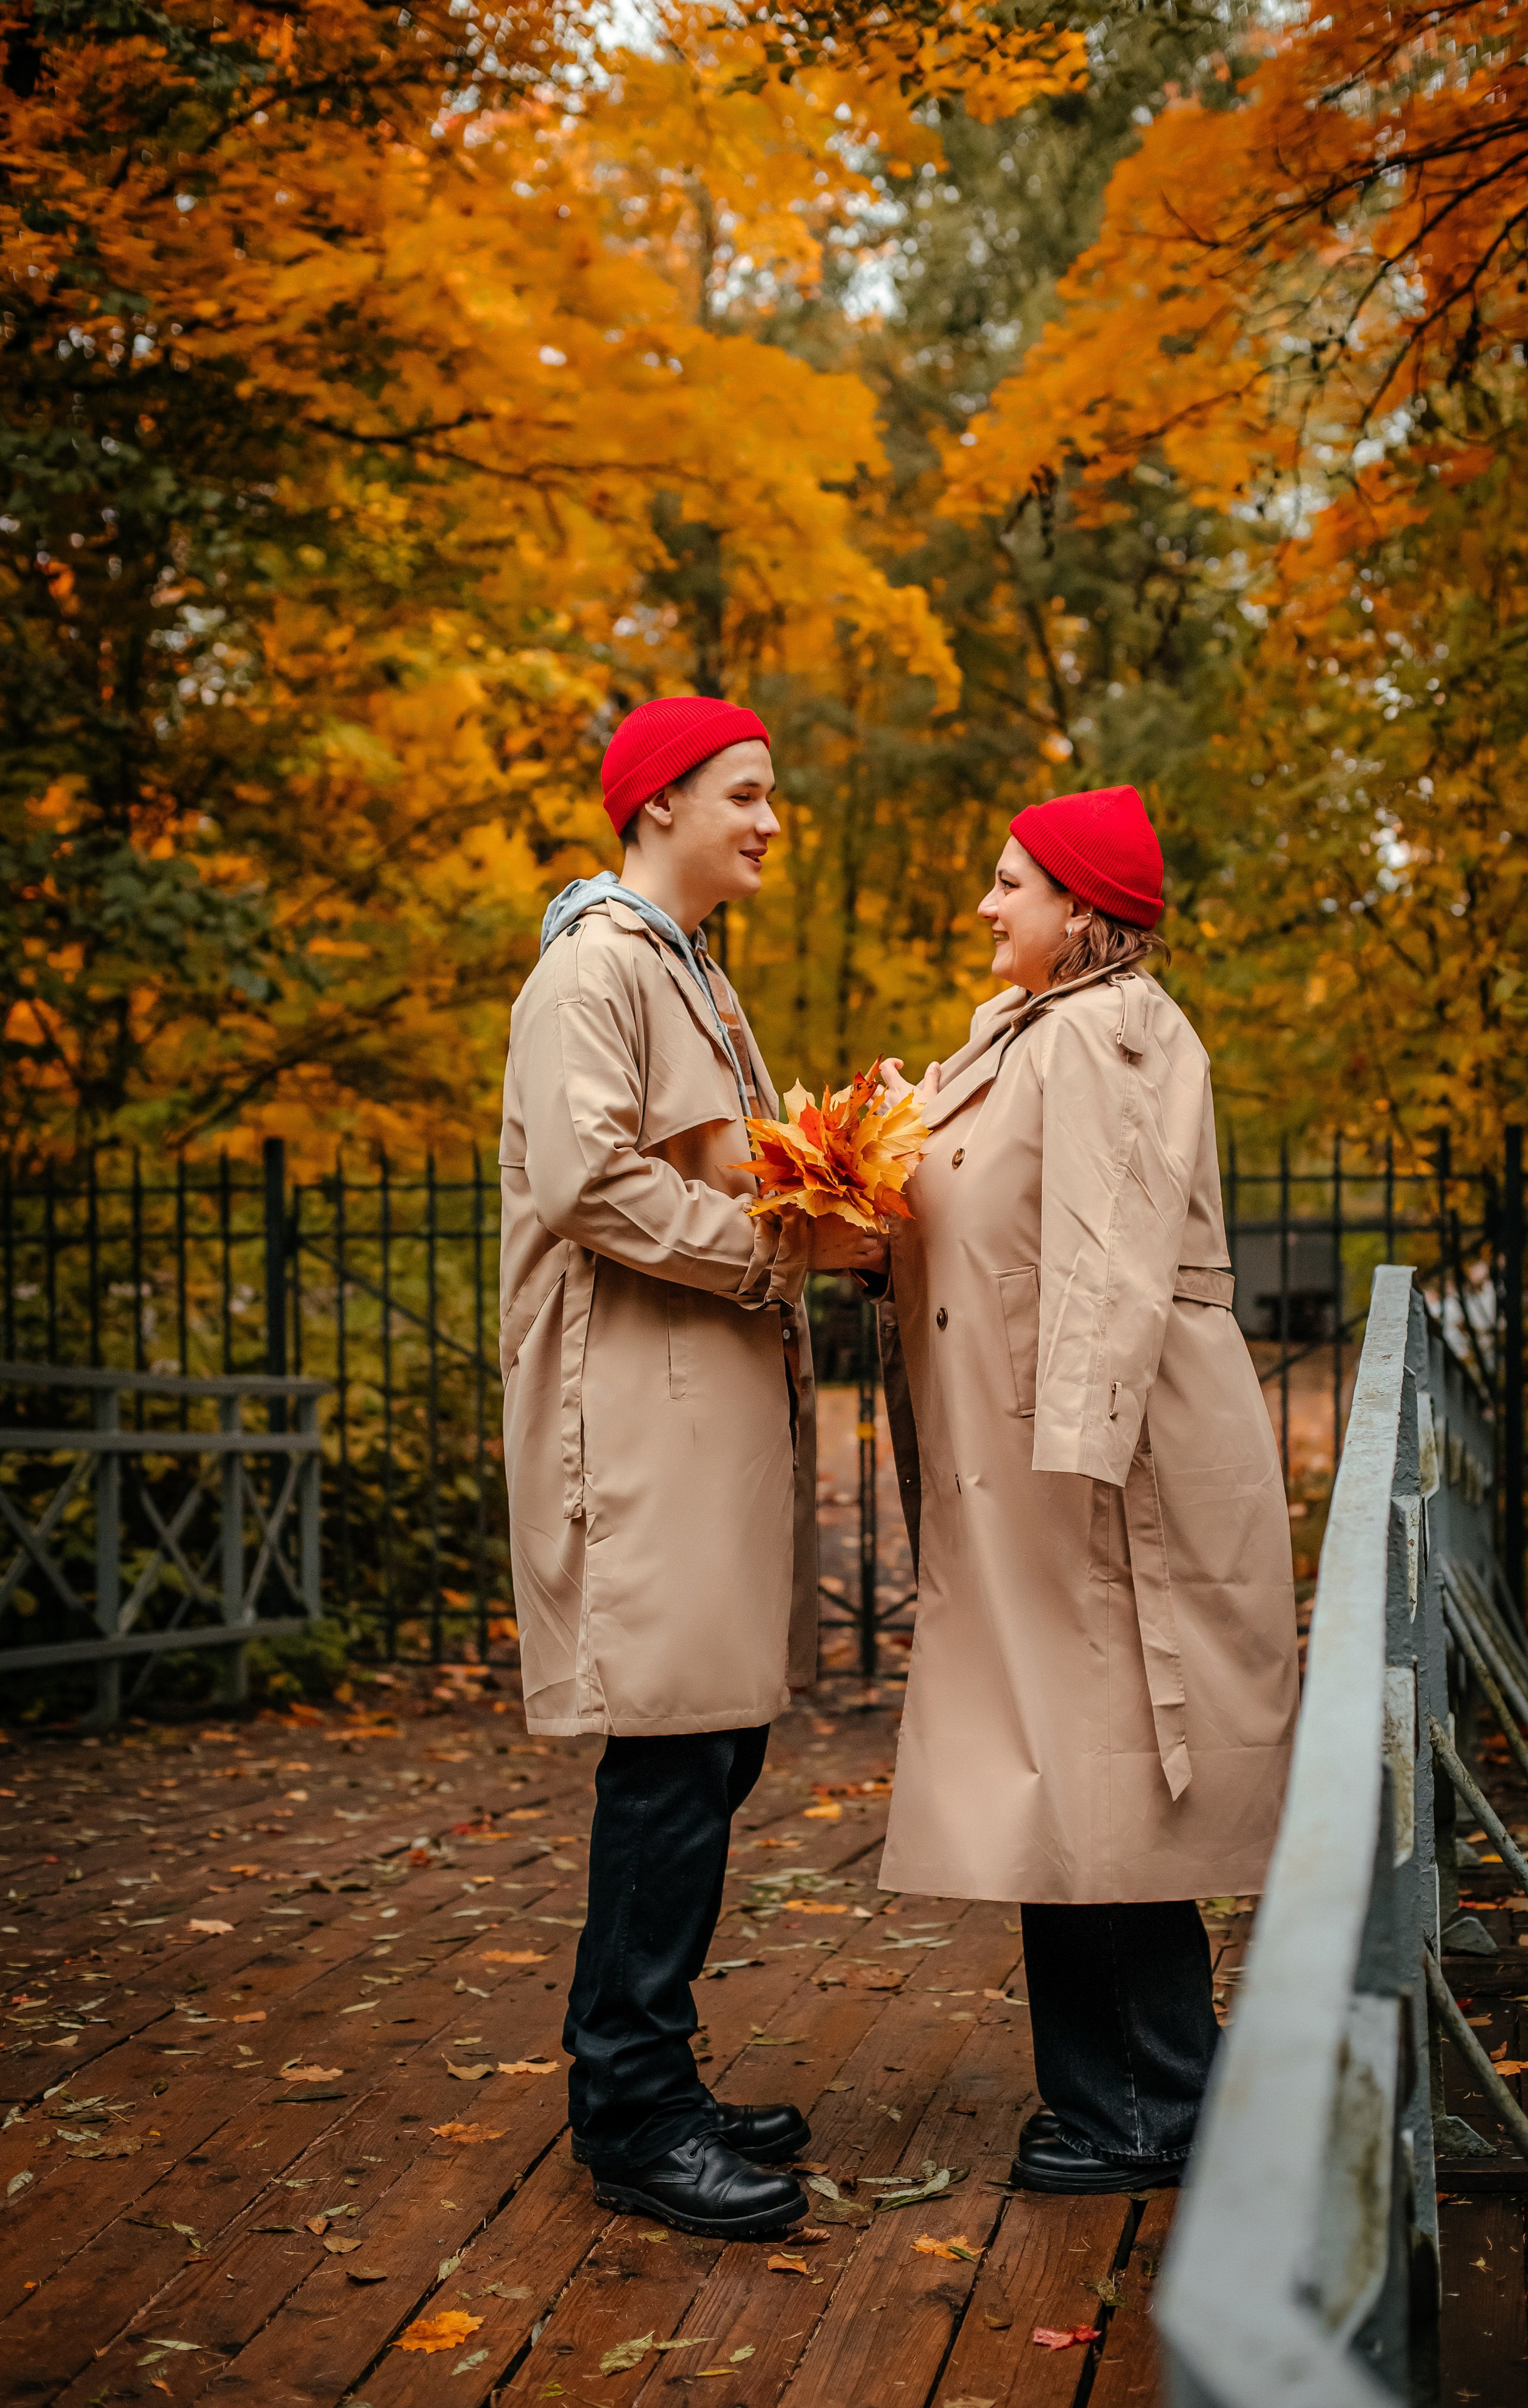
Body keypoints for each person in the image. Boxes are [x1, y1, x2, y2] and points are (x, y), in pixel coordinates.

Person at [497, 694, 885, 2240]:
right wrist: (765, 1262)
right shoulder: (594, 968)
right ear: (658, 803)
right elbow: (590, 1179)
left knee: (708, 1747)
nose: (770, 819)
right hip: (633, 1418)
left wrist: (823, 1208)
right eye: (745, 792)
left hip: (699, 1407)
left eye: (771, 793)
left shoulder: (689, 974)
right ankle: (634, 2118)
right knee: (666, 1757)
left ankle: (653, 2076)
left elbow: (726, 1171)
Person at [875, 783, 1299, 2195]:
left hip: (1087, 1468)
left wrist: (1076, 1460)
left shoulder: (1104, 1037)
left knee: (1099, 1764)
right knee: (1069, 1769)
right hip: (1037, 1464)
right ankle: (1147, 2086)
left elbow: (1110, 1257)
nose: (986, 905)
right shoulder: (1033, 1034)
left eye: (1010, 883)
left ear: (1080, 909)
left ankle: (1141, 2109)